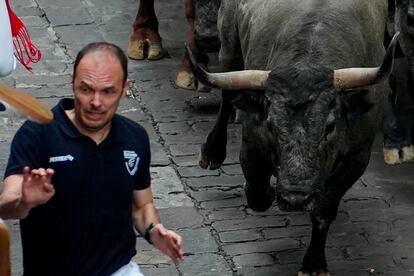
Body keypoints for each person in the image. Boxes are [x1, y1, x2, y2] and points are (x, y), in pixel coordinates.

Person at [0, 42, 184, 276]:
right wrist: (25, 202)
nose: (96, 102)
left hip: (118, 270)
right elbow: (5, 205)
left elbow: (141, 205)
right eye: (86, 89)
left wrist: (153, 230)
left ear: (125, 88)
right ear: (72, 82)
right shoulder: (38, 134)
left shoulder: (134, 138)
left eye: (108, 91)